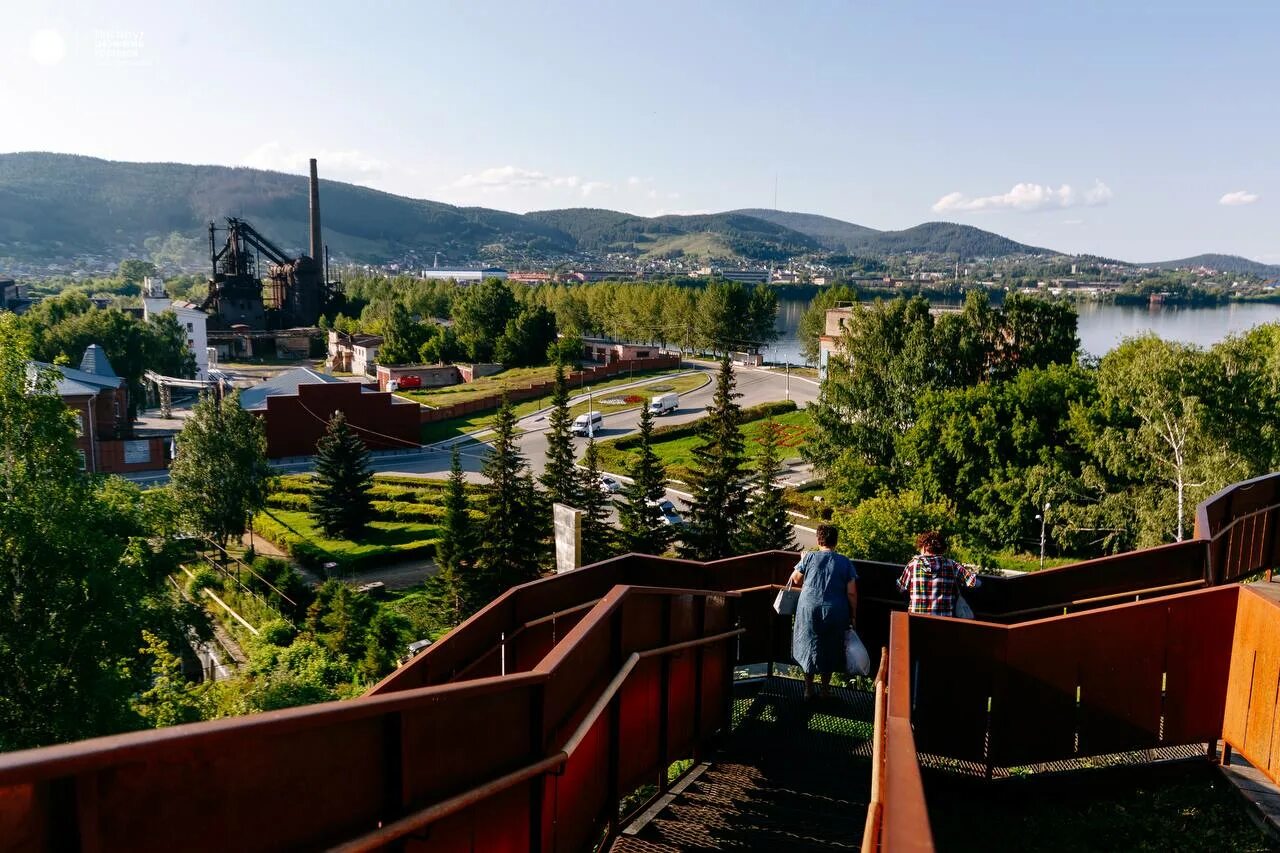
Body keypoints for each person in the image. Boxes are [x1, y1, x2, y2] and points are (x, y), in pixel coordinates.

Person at [789, 524, 858, 700]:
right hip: (835, 610)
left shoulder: (809, 557)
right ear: (835, 541)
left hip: (808, 609)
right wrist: (853, 614)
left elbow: (796, 579)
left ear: (818, 540)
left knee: (808, 644)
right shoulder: (845, 562)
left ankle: (808, 689)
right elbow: (851, 592)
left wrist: (802, 558)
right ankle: (825, 690)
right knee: (830, 646)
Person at [897, 531, 980, 617]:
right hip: (943, 624)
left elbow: (901, 588)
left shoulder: (912, 565)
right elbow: (973, 583)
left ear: (924, 547)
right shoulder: (952, 565)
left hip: (916, 622)